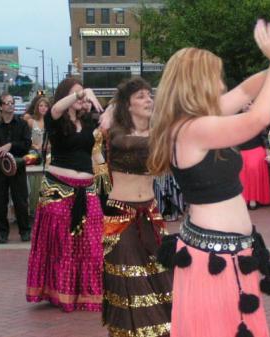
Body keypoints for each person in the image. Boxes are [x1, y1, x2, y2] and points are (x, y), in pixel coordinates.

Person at [148, 20, 270, 337]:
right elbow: (257, 118)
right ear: (198, 82)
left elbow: (246, 90)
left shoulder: (196, 121)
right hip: (214, 258)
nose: (221, 85)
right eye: (215, 77)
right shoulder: (192, 129)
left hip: (229, 253)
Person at [26, 78, 104, 312]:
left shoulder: (88, 122)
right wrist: (81, 94)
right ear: (66, 96)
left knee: (92, 241)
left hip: (87, 188)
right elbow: (56, 108)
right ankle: (61, 292)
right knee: (63, 244)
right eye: (76, 94)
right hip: (59, 189)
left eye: (83, 94)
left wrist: (94, 106)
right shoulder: (55, 120)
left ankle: (87, 291)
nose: (82, 98)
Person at [102, 77, 172, 336]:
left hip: (151, 214)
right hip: (122, 215)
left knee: (162, 276)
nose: (148, 100)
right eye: (141, 96)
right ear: (128, 104)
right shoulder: (118, 133)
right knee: (131, 281)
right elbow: (130, 144)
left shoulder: (158, 132)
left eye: (150, 95)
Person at [0, 93, 31, 243]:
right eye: (7, 103)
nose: (10, 105)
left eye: (12, 102)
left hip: (17, 167)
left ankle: (24, 231)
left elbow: (26, 145)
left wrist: (11, 145)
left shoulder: (21, 124)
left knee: (20, 200)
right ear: (1, 106)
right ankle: (3, 233)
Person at [238, 102, 270, 210]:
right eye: (245, 103)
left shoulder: (259, 120)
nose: (247, 105)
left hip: (256, 150)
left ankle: (253, 198)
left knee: (252, 167)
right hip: (241, 151)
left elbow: (265, 139)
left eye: (250, 103)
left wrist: (269, 154)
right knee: (240, 168)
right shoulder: (236, 121)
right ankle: (243, 199)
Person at [27, 96, 51, 216]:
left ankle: (46, 209)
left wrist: (48, 147)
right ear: (37, 107)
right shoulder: (31, 121)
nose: (43, 108)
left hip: (49, 155)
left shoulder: (52, 122)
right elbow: (25, 139)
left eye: (45, 106)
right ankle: (33, 209)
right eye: (41, 105)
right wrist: (34, 146)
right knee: (33, 182)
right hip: (34, 154)